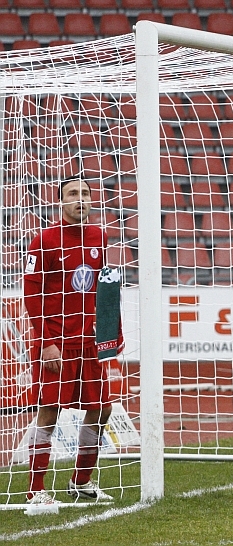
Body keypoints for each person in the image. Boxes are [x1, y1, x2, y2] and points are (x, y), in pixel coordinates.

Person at [23, 177, 122, 513]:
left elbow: (103, 287)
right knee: (49, 411)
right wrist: (46, 342)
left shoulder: (99, 236)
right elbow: (31, 294)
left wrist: (112, 332)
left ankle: (80, 481)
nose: (80, 199)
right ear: (61, 201)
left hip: (89, 342)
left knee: (102, 408)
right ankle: (35, 490)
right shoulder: (44, 240)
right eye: (73, 194)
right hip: (57, 343)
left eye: (85, 194)